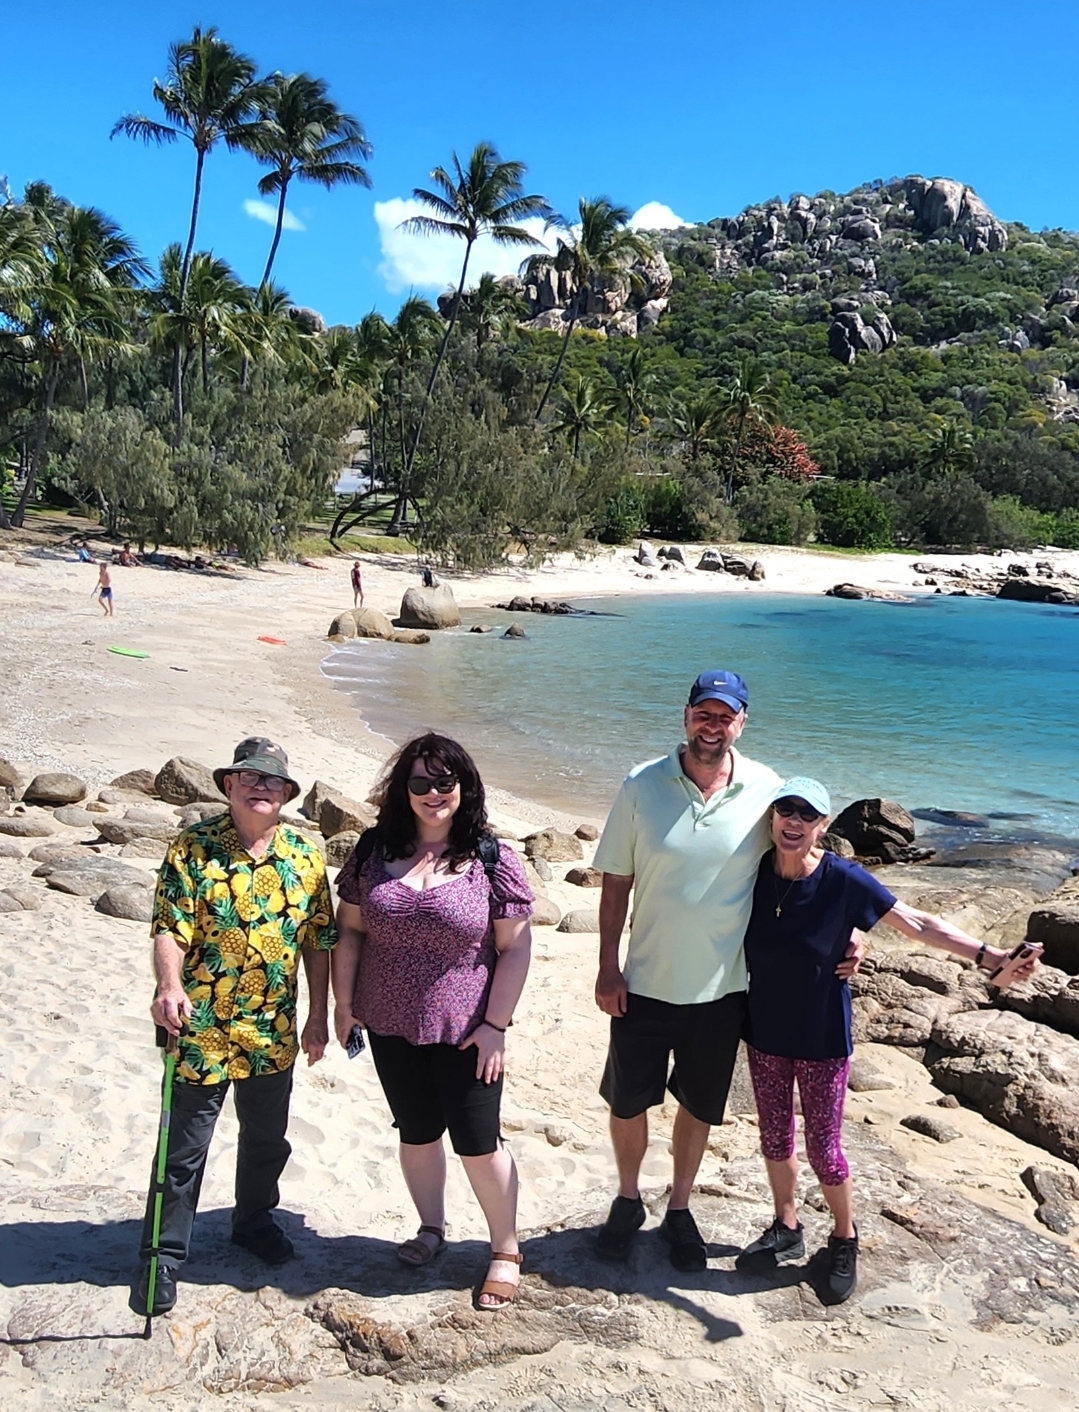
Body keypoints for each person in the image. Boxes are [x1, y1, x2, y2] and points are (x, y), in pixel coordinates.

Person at [591, 670, 865, 1272]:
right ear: (686, 716)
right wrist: (607, 964)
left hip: (723, 990)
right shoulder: (642, 784)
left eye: (726, 716)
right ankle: (628, 1198)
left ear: (742, 722)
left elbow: (805, 864)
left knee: (697, 1104)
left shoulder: (766, 790)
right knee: (628, 1102)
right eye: (703, 714)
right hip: (642, 982)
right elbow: (616, 881)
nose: (713, 726)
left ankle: (680, 1208)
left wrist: (852, 931)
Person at [737, 776, 1043, 1303]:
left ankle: (843, 1237)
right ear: (770, 817)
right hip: (764, 1030)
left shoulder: (845, 879)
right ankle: (786, 1225)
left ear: (824, 826)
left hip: (822, 1037)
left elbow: (914, 922)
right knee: (774, 1138)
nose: (794, 821)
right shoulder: (752, 873)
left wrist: (988, 957)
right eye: (786, 810)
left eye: (807, 815)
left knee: (826, 1151)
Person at [133, 737, 336, 1316]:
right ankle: (164, 1257)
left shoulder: (305, 856)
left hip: (271, 1031)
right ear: (228, 786)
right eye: (248, 778)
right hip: (197, 1028)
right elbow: (168, 927)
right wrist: (168, 986)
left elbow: (319, 943)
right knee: (183, 1149)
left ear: (288, 794)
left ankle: (252, 1222)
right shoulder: (191, 849)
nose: (260, 787)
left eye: (272, 781)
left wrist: (318, 1015)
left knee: (267, 1140)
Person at [332, 732, 533, 1309]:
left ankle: (505, 1248)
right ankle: (431, 1228)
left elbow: (515, 948)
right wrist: (344, 1007)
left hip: (468, 1027)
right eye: (420, 782)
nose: (433, 793)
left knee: (478, 1142)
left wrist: (496, 1026)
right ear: (403, 790)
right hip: (389, 1021)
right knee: (416, 1132)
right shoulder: (374, 851)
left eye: (445, 781)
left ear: (464, 787)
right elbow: (350, 930)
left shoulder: (490, 858)